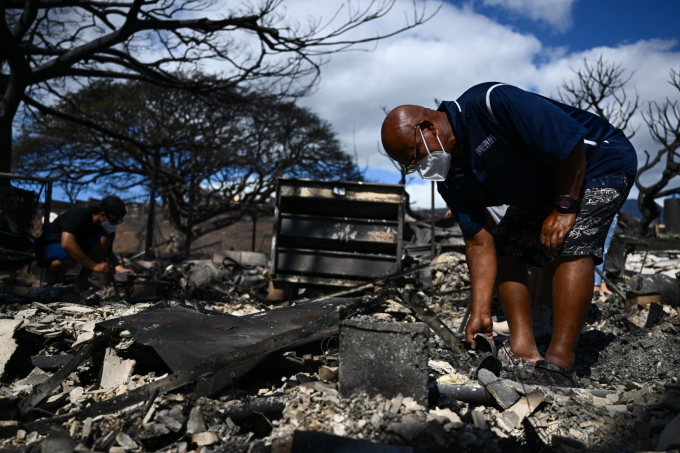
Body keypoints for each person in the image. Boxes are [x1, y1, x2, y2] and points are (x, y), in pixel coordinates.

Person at [381, 82, 637, 386]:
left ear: (427, 126)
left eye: (414, 154)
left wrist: (565, 209)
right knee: (507, 248)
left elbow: (570, 144)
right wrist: (480, 311)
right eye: (411, 165)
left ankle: (559, 362)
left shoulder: (489, 103)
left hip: (596, 160)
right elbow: (479, 241)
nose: (419, 165)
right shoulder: (450, 177)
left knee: (573, 244)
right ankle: (524, 348)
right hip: (543, 188)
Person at [35, 195, 133, 290]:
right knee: (75, 253)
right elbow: (67, 243)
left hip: (71, 249)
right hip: (47, 249)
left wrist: (120, 268)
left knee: (104, 239)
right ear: (102, 214)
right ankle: (51, 272)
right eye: (113, 220)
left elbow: (107, 251)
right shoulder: (77, 215)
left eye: (118, 221)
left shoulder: (107, 228)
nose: (115, 224)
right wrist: (94, 266)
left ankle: (81, 281)